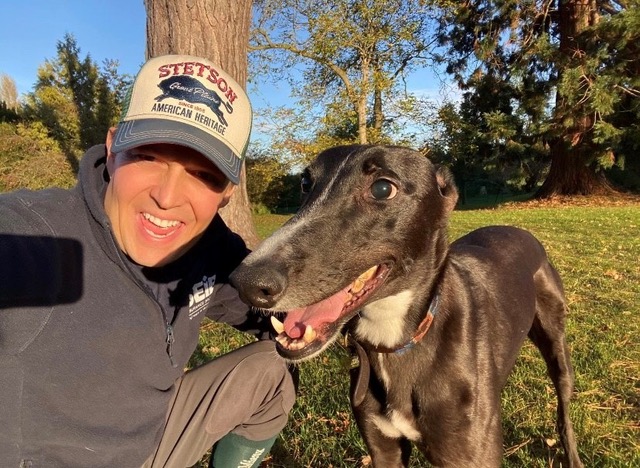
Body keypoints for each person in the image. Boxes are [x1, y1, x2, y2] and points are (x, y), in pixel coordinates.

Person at [0, 54, 295, 468]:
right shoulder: (34, 240)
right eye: (149, 156)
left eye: (203, 175)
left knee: (270, 376)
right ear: (113, 144)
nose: (169, 197)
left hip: (154, 439)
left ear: (227, 191)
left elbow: (259, 300)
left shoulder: (209, 247)